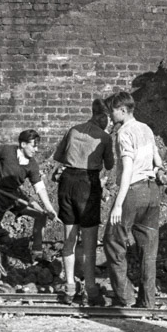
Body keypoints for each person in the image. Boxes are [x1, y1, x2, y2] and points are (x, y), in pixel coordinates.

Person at [103, 92, 165, 308]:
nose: (110, 116)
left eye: (111, 111)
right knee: (148, 250)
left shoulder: (124, 133)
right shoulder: (146, 128)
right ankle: (148, 302)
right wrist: (153, 170)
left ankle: (126, 297)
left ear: (122, 110)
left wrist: (118, 204)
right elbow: (158, 160)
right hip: (152, 192)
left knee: (112, 241)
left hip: (133, 192)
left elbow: (128, 168)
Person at [52, 99, 115, 306]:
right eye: (108, 118)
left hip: (67, 183)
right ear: (101, 116)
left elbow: (58, 156)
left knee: (68, 238)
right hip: (88, 184)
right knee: (89, 242)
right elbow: (109, 164)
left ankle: (70, 286)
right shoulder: (104, 137)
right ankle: (91, 288)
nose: (110, 122)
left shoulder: (73, 130)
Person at [0, 129, 58, 260]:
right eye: (33, 145)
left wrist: (49, 207)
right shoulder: (6, 151)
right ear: (23, 144)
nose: (36, 149)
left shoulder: (32, 164)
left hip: (14, 195)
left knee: (41, 214)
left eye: (37, 146)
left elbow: (39, 187)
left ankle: (37, 252)